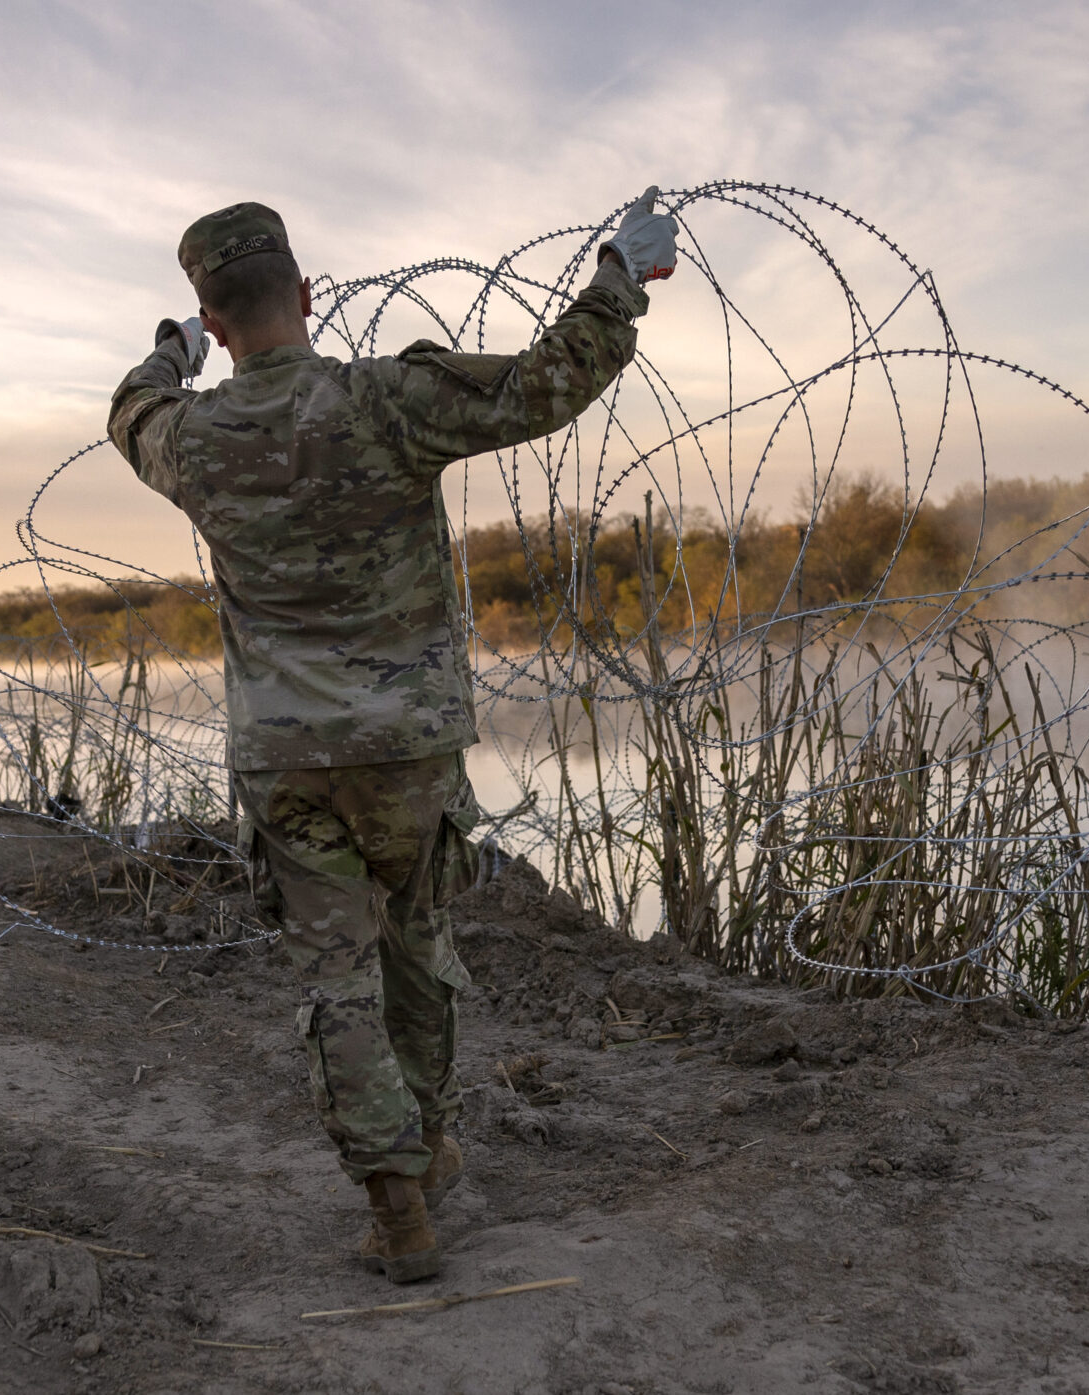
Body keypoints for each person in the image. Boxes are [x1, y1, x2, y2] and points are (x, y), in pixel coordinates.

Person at [107, 192, 678, 1284]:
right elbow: (549, 381)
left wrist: (167, 355)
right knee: (414, 944)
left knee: (335, 978)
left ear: (215, 322)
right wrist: (619, 276)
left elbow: (131, 408)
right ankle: (433, 1135)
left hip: (286, 764)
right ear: (309, 296)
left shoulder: (191, 439)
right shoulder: (386, 402)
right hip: (407, 749)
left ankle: (398, 1201)